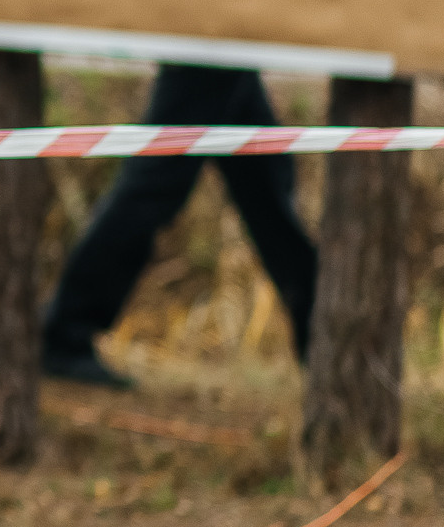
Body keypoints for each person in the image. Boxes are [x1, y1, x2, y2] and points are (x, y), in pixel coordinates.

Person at [40, 63, 317, 389]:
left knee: (265, 180)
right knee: (159, 180)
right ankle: (67, 330)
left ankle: (320, 331)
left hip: (231, 40)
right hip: (211, 41)